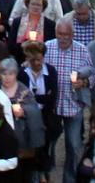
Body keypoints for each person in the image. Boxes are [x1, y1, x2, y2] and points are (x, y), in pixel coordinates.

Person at [46, 19, 95, 183]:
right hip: (52, 105)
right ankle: (47, 174)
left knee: (73, 145)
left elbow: (93, 73)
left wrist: (84, 83)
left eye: (67, 34)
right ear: (56, 33)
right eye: (60, 34)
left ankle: (70, 179)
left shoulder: (82, 50)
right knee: (48, 144)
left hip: (73, 104)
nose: (63, 37)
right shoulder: (48, 47)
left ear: (72, 34)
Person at [21, 41, 60, 182]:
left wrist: (32, 97)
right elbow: (22, 97)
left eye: (39, 59)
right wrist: (41, 97)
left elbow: (52, 97)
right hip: (28, 118)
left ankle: (44, 174)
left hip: (46, 117)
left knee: (45, 148)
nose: (37, 63)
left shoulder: (51, 71)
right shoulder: (23, 73)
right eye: (33, 60)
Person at [0, 57, 46, 169]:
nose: (7, 77)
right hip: (2, 137)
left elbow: (35, 112)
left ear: (15, 74)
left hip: (22, 138)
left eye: (11, 74)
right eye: (4, 74)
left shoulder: (24, 92)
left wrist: (24, 112)